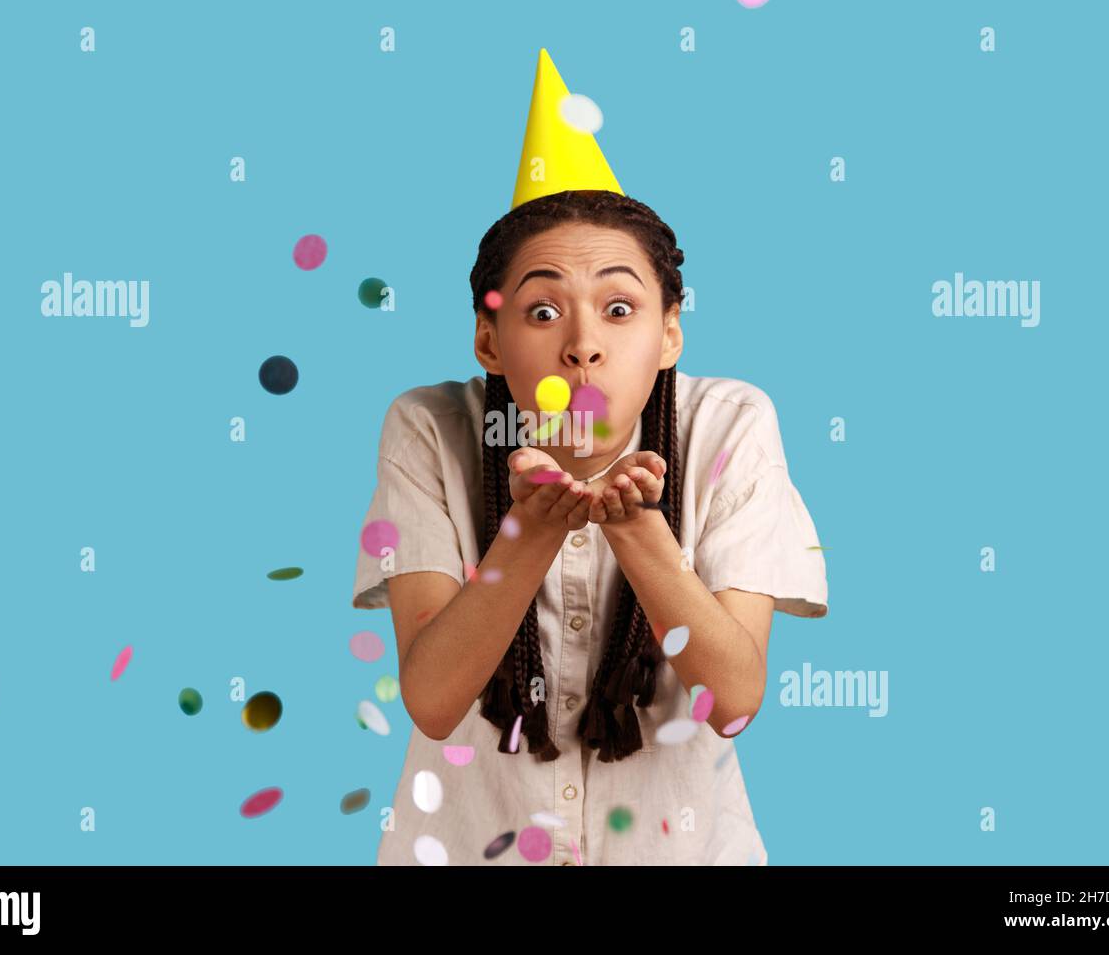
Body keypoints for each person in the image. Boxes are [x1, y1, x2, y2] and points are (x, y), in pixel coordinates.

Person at [353, 48, 828, 865]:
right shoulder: (429, 427)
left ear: (670, 332)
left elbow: (735, 698)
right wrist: (528, 534)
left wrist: (639, 530)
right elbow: (431, 701)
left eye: (618, 307)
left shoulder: (732, 423)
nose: (583, 347)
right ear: (488, 340)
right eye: (542, 310)